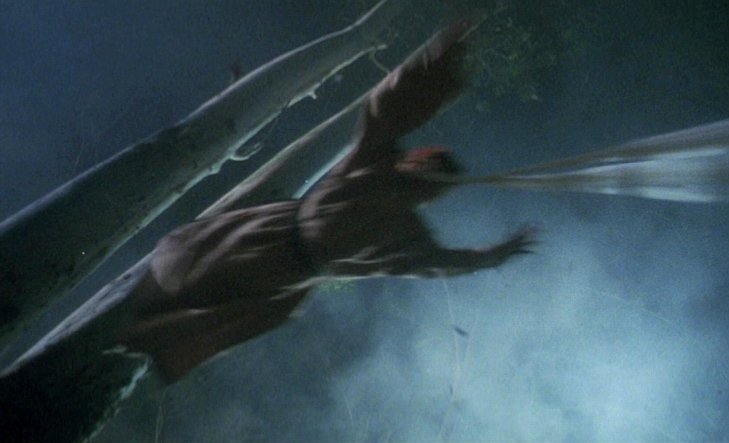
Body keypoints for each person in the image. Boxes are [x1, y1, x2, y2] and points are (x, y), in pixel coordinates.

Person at [117, 20, 535, 381]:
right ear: (417, 157)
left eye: (433, 177)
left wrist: (491, 256)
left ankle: (135, 342)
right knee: (186, 268)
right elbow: (390, 104)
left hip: (288, 275)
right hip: (269, 231)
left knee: (199, 314)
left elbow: (439, 263)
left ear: (433, 192)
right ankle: (131, 313)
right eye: (426, 162)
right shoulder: (375, 159)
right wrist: (441, 59)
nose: (423, 172)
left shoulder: (407, 234)